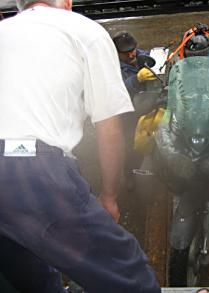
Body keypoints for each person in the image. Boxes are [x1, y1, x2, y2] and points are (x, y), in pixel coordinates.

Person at [0, 1, 160, 292]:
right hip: (35, 170)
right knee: (130, 274)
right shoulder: (85, 30)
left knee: (32, 279)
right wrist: (109, 196)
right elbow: (108, 125)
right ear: (68, 3)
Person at [112, 31, 156, 191]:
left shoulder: (142, 55)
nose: (131, 54)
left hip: (151, 104)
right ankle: (129, 174)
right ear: (116, 53)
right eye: (126, 52)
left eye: (133, 49)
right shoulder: (111, 68)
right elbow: (116, 91)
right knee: (133, 146)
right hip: (130, 114)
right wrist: (136, 80)